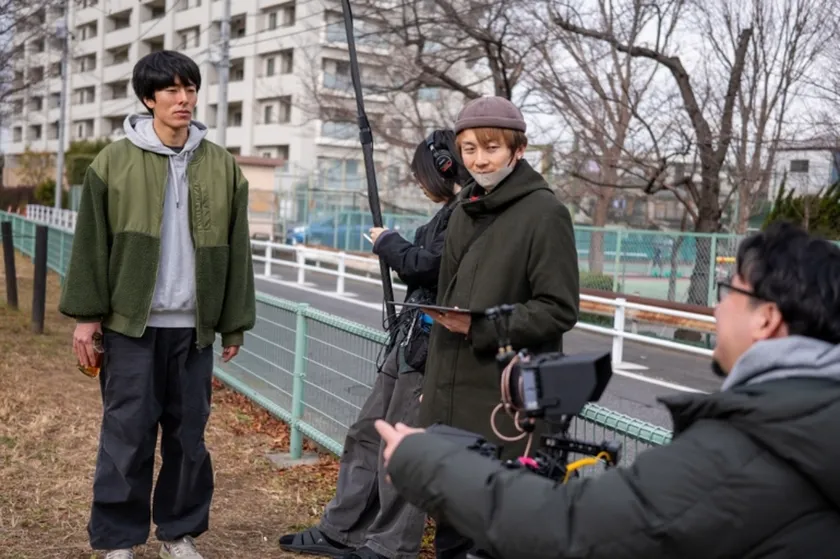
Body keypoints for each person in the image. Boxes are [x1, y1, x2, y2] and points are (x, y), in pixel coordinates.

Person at [375, 221, 840, 559]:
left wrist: (425, 461)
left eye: (728, 292)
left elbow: (570, 529)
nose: (718, 310)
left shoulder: (745, 451)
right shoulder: (812, 421)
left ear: (766, 317)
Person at [59, 51, 256, 559]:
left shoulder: (223, 165)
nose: (183, 98)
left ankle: (177, 533)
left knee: (189, 438)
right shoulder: (113, 161)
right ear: (149, 99)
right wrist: (87, 318)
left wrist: (232, 324)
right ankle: (118, 539)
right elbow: (91, 244)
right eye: (171, 89)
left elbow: (237, 250)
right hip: (131, 327)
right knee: (126, 435)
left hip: (193, 329)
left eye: (189, 88)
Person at [278, 130, 469, 559]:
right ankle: (341, 529)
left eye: (421, 175)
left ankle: (389, 545)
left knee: (402, 445)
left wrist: (389, 244)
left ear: (442, 168)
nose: (420, 183)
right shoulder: (446, 214)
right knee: (367, 432)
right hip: (409, 339)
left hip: (432, 349)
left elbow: (428, 266)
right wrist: (398, 248)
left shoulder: (468, 214)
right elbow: (420, 264)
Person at [418, 96, 579, 558]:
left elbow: (559, 308)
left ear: (518, 149)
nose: (479, 160)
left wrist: (482, 326)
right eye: (469, 149)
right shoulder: (464, 209)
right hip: (449, 396)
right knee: (450, 531)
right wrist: (432, 387)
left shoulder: (545, 213)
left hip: (504, 403)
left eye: (491, 148)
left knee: (495, 534)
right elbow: (448, 301)